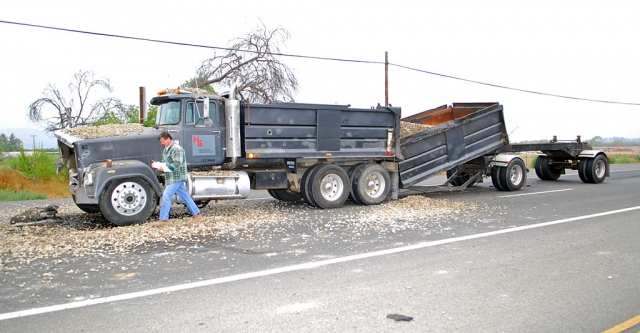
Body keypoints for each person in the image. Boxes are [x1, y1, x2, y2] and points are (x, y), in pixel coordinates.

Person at [150, 132, 203, 227]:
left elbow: (176, 165)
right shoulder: (167, 149)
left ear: (168, 139)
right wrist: (158, 163)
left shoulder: (177, 149)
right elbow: (167, 162)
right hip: (172, 177)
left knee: (166, 195)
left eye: (163, 141)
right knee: (185, 196)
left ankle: (163, 219)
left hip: (176, 176)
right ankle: (197, 215)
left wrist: (163, 168)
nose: (162, 143)